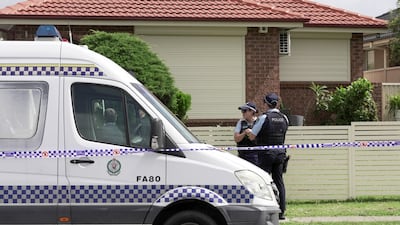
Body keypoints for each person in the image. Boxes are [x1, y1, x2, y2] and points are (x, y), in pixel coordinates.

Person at [247, 93, 289, 220]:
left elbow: (253, 136)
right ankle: (281, 211)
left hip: (265, 154)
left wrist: (248, 131)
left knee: (263, 182)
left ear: (266, 104)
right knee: (279, 181)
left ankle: (263, 210)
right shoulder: (284, 118)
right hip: (280, 154)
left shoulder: (264, 117)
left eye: (264, 103)